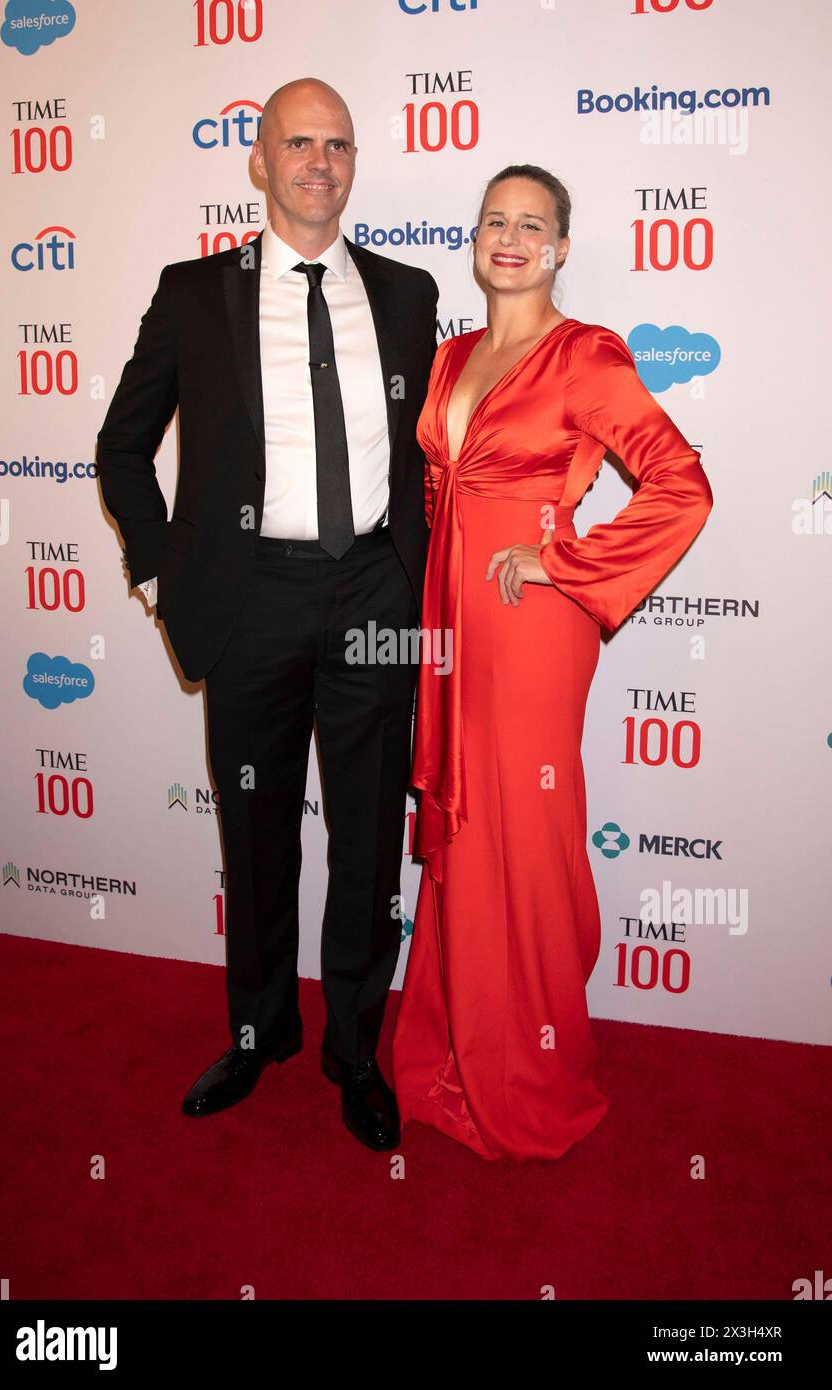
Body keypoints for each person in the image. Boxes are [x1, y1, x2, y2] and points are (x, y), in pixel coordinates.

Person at [96, 79, 438, 1151]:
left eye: (337, 144)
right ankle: (258, 1034)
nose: (319, 163)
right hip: (250, 602)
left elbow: (441, 456)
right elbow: (121, 447)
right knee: (253, 834)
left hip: (376, 594)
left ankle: (351, 1048)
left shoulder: (406, 292)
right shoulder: (195, 293)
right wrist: (163, 580)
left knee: (370, 838)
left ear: (353, 161)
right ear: (258, 160)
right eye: (297, 142)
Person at [391, 164, 713, 1161]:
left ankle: (525, 1066)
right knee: (464, 821)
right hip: (448, 618)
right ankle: (454, 1046)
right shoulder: (451, 359)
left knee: (521, 831)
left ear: (562, 247)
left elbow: (679, 484)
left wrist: (564, 558)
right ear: (475, 237)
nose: (511, 237)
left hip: (529, 619)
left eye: (532, 224)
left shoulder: (584, 357)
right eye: (496, 220)